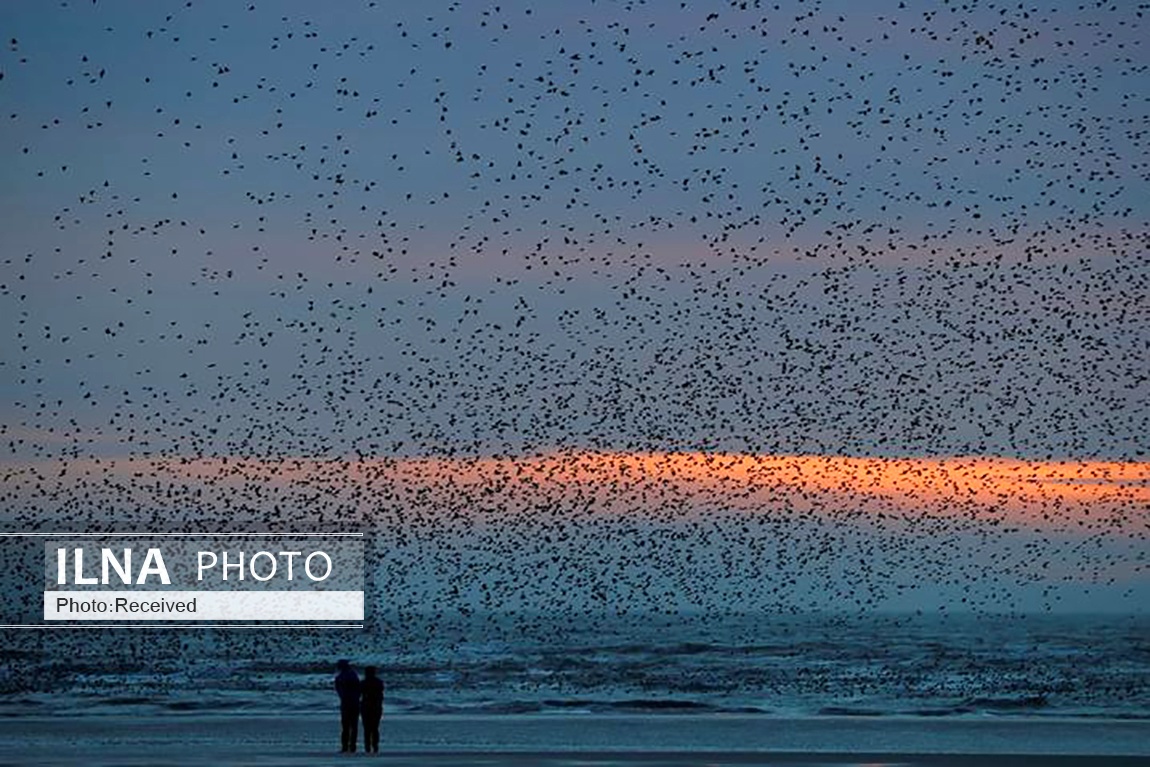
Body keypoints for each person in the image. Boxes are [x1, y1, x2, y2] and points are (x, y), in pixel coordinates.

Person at [334, 659, 361, 753]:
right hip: (354, 703)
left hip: (346, 704)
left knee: (345, 726)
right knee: (353, 726)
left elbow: (339, 691)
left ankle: (345, 746)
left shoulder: (340, 678)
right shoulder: (354, 675)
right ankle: (352, 746)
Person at [360, 666, 384, 753]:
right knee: (375, 728)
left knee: (367, 728)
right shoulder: (379, 682)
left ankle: (367, 747)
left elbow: (360, 694)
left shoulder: (363, 683)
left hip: (366, 706)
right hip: (376, 707)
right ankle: (375, 746)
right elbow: (381, 695)